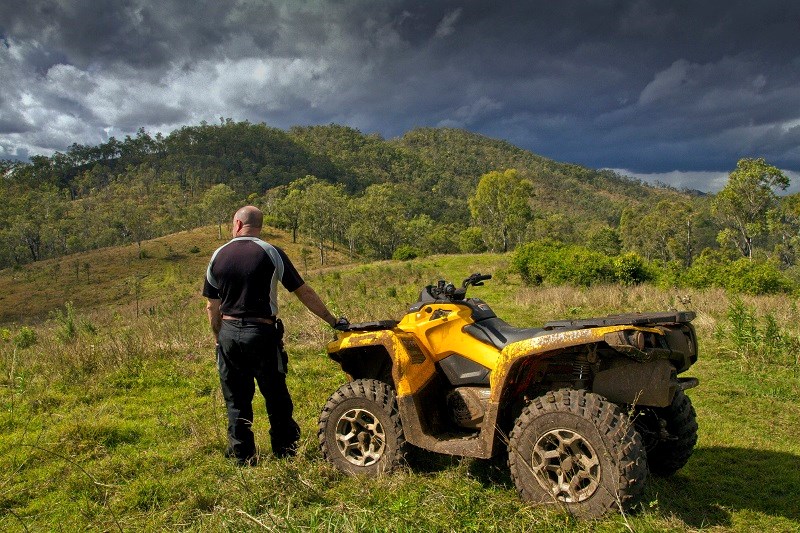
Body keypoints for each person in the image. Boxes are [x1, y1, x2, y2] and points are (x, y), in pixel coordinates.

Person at [203, 205, 346, 465]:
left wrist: (218, 337)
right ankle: (284, 450)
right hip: (261, 333)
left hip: (229, 332)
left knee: (236, 398)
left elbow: (212, 305)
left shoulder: (218, 255)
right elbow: (303, 292)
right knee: (276, 394)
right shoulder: (271, 252)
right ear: (259, 226)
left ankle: (242, 457)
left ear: (236, 224)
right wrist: (332, 321)